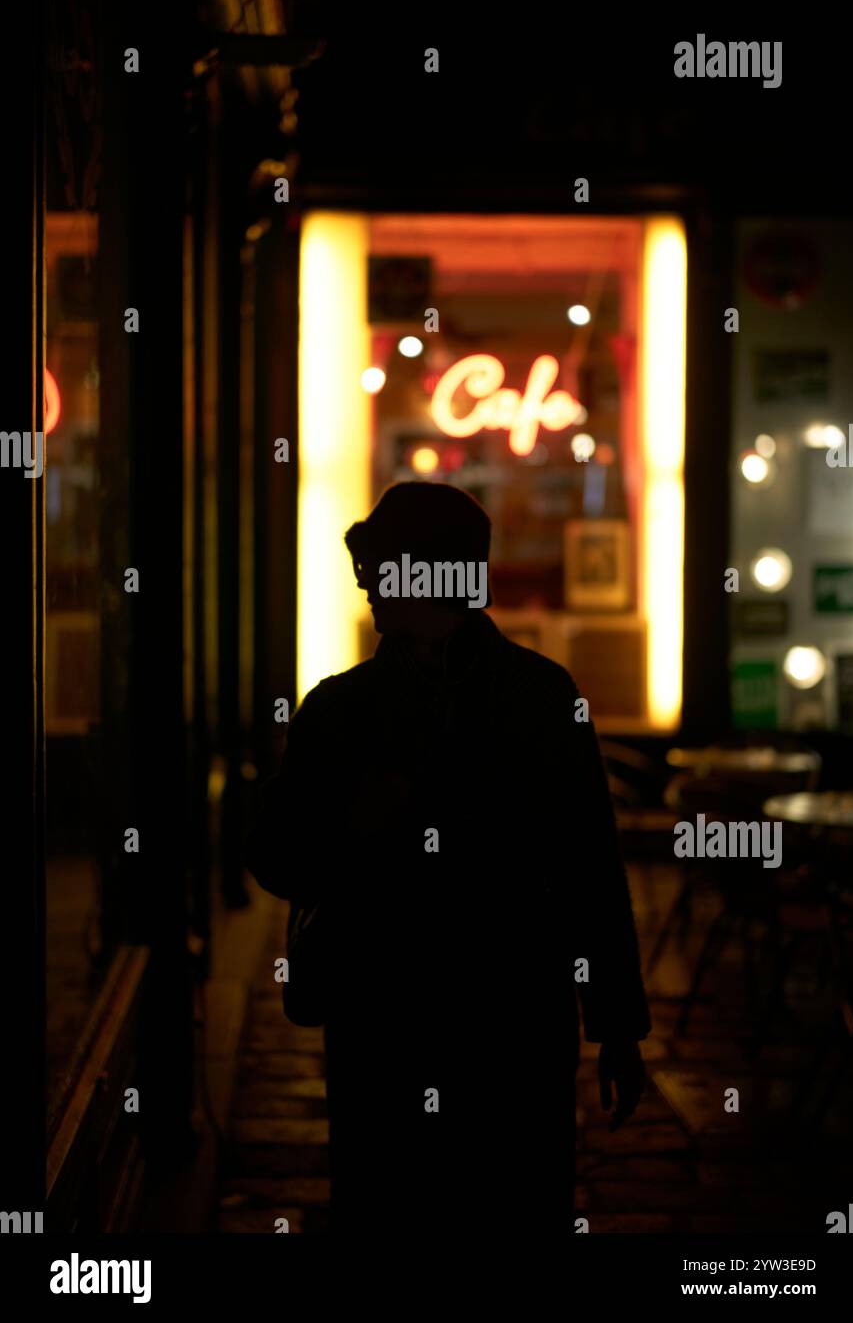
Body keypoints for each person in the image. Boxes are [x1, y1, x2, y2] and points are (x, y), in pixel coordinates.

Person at [245, 480, 650, 1238]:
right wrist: (616, 1024)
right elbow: (590, 866)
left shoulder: (342, 709)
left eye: (378, 573)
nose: (367, 590)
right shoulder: (537, 695)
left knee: (399, 1204)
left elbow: (277, 858)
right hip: (506, 1025)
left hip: (398, 1028)